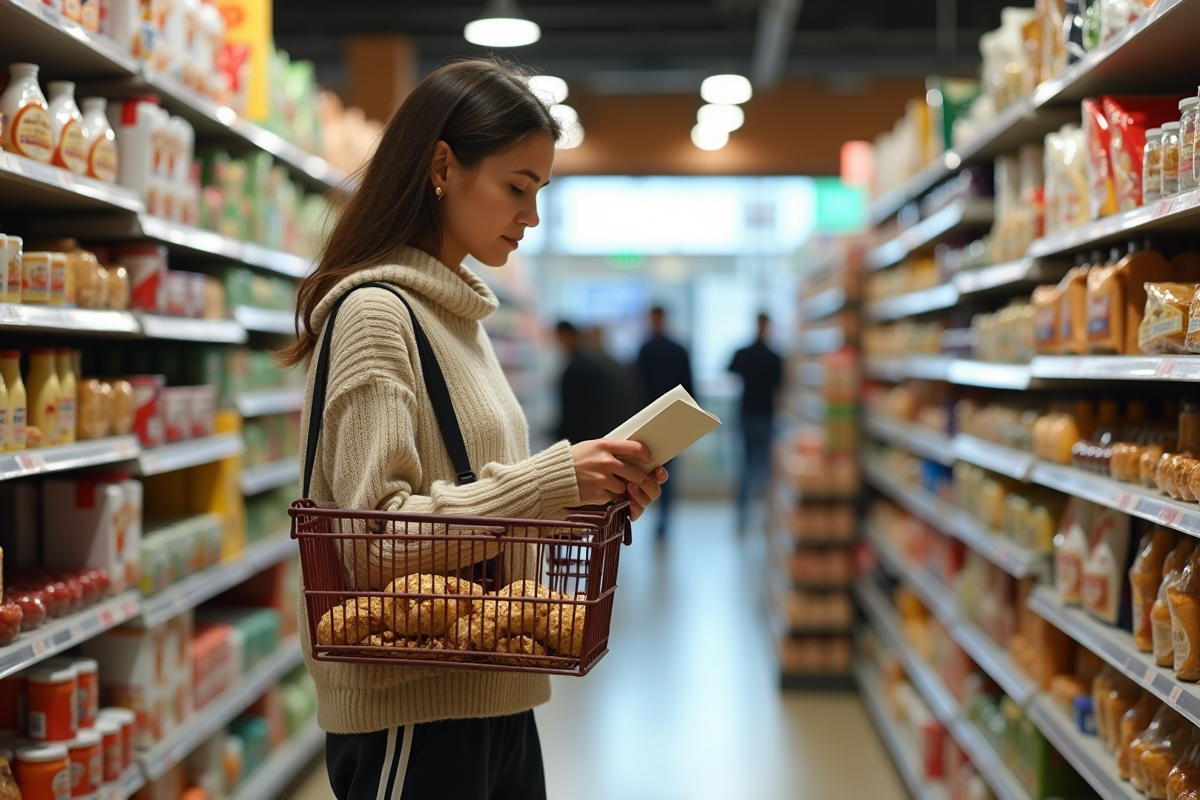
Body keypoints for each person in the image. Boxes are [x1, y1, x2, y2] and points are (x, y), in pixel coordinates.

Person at [279, 59, 668, 800]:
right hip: (411, 717)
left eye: (540, 192)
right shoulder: (375, 316)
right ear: (442, 166)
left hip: (496, 690)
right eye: (516, 188)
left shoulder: (461, 319)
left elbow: (477, 502)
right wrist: (552, 477)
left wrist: (594, 497)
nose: (531, 216)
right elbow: (370, 548)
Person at [635, 305, 693, 543]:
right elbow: (689, 385)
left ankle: (658, 520)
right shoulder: (678, 350)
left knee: (651, 470)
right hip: (673, 420)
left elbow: (635, 386)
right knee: (665, 472)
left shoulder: (644, 350)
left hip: (649, 420)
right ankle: (663, 522)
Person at [728, 312, 784, 533]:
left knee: (745, 468)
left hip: (747, 414)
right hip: (765, 415)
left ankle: (743, 516)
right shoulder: (774, 356)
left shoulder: (743, 353)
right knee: (764, 469)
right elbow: (781, 385)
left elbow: (729, 370)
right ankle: (763, 516)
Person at [554, 320, 626, 443]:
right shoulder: (598, 362)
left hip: (587, 440)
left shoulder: (576, 368)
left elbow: (573, 415)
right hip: (603, 434)